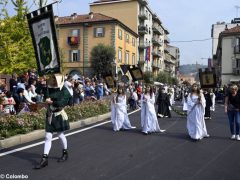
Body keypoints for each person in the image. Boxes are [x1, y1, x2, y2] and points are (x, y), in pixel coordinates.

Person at [35, 74, 72, 169]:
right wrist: (41, 83)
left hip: (59, 115)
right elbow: (37, 91)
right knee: (48, 136)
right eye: (53, 79)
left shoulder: (64, 90)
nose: (54, 81)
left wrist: (51, 102)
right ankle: (44, 159)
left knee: (60, 135)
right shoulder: (49, 88)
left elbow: (62, 102)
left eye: (56, 79)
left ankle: (65, 152)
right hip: (50, 114)